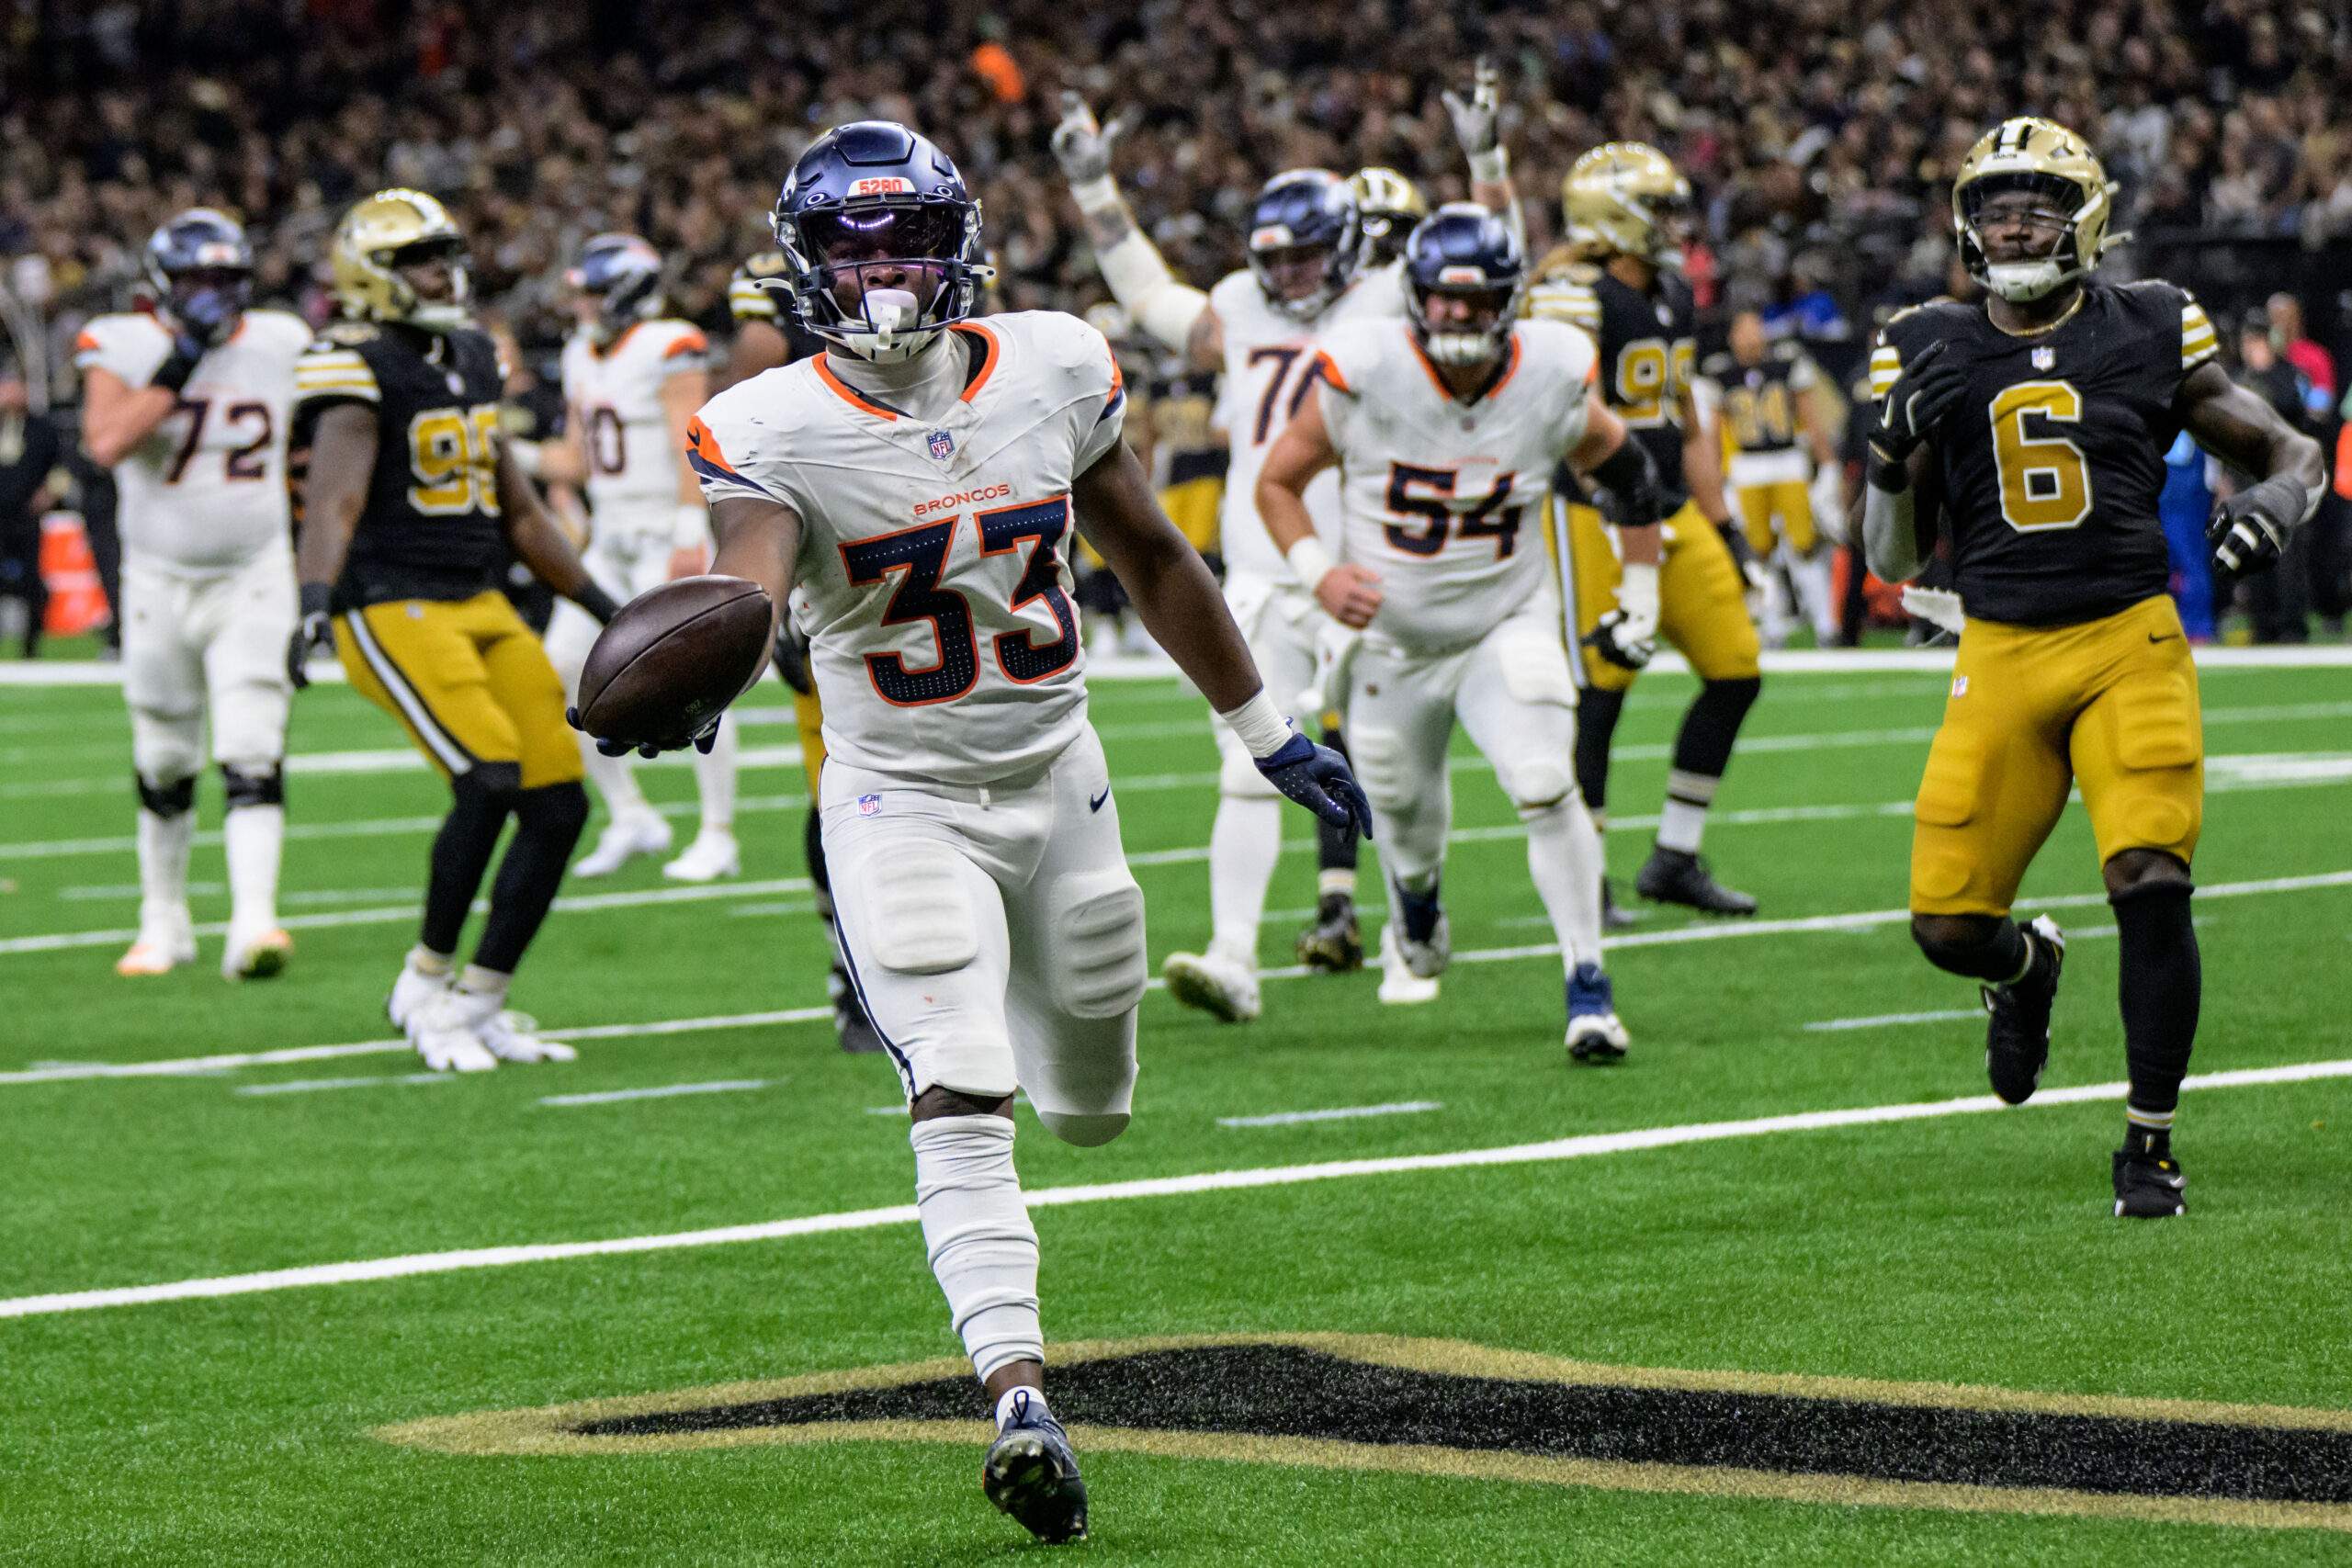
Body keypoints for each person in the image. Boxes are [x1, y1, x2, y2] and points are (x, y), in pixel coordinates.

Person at [669, 121, 1369, 1542]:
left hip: (1061, 777)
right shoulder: (764, 423)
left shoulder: (1052, 358)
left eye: (908, 242)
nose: (884, 276)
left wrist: (1264, 726)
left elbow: (1152, 550)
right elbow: (743, 595)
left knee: (1093, 1106)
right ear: (803, 265)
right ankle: (1019, 1394)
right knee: (962, 1077)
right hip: (897, 794)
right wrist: (694, 670)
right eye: (853, 250)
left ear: (961, 245)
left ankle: (1039, 1221)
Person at [1862, 118, 2323, 1219]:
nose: (2010, 222)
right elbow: (1885, 558)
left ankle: (2150, 1142)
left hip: (2129, 642)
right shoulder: (1925, 339)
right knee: (1944, 927)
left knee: (2151, 880)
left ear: (2087, 218)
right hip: (2001, 651)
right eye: (1992, 205)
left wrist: (2272, 502)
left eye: (2034, 203)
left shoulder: (2150, 322)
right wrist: (1886, 456)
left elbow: (2290, 451)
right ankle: (2025, 973)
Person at [1052, 74, 1502, 1014]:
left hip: (1375, 571)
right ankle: (1233, 959)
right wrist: (1096, 188)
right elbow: (1146, 296)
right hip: (1266, 571)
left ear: (1344, 249)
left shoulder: (1392, 298)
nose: (1288, 274)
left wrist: (1486, 165)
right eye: (1275, 258)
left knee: (1393, 767)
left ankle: (1408, 933)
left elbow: (1501, 263)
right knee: (1246, 763)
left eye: (1304, 256)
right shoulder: (1244, 309)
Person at [1259, 205, 1657, 1055]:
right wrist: (1317, 572)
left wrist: (1645, 592)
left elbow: (1630, 476)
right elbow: (1278, 481)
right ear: (1417, 298)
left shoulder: (1550, 371)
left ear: (1509, 303)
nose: (1460, 318)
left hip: (1503, 624)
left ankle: (1589, 985)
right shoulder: (1366, 366)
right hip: (1393, 646)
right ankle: (1417, 901)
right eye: (1444, 301)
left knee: (1548, 781)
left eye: (1477, 305)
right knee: (1399, 815)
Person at [288, 188, 621, 1072]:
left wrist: (607, 607)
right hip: (388, 600)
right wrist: (315, 597)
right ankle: (423, 981)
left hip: (478, 598)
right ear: (373, 274)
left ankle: (482, 998)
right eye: (421, 259)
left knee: (557, 801)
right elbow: (337, 496)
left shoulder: (472, 352)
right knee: (485, 777)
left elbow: (517, 508)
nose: (444, 271)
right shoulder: (351, 359)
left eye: (446, 254)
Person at [1527, 144, 1768, 923]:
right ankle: (1584, 873)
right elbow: (1567, 414)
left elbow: (1686, 417)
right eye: (1658, 208)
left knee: (1736, 671)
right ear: (1614, 214)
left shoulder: (1670, 289)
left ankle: (1674, 855)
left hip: (1671, 507)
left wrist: (1725, 525)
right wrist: (1613, 496)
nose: (1673, 223)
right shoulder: (1573, 295)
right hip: (1593, 507)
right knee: (1601, 691)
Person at [76, 209, 310, 980]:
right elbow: (108, 441)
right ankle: (164, 919)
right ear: (162, 284)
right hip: (157, 578)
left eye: (223, 280)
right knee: (166, 755)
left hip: (254, 572)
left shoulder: (281, 340)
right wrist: (181, 357)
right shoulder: (126, 343)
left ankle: (254, 921)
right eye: (195, 280)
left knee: (250, 742)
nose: (211, 294)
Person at [537, 233, 741, 881]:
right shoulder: (578, 353)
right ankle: (630, 813)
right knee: (563, 669)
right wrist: (498, 451)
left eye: (597, 293)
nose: (586, 306)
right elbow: (574, 458)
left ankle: (719, 832)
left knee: (693, 685)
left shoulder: (668, 343)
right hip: (611, 534)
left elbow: (694, 440)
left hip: (664, 530)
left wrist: (689, 531)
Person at [723, 245, 884, 1056]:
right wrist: (774, 608)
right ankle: (852, 968)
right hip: (835, 591)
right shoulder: (771, 379)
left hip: (924, 576)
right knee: (845, 792)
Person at [1702, 310, 1845, 648]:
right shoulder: (1720, 374)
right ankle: (1772, 624)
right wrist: (1716, 475)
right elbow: (1714, 433)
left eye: (1756, 331)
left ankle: (1826, 624)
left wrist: (1828, 465)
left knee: (1804, 546)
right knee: (1757, 550)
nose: (1752, 339)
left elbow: (1810, 418)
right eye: (1745, 331)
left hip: (1788, 461)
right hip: (1746, 467)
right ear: (1733, 337)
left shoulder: (1787, 365)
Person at [0, 359, 60, 657]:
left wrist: (50, 492)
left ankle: (31, 643)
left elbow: (61, 466)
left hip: (26, 515)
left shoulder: (41, 428)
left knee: (30, 580)